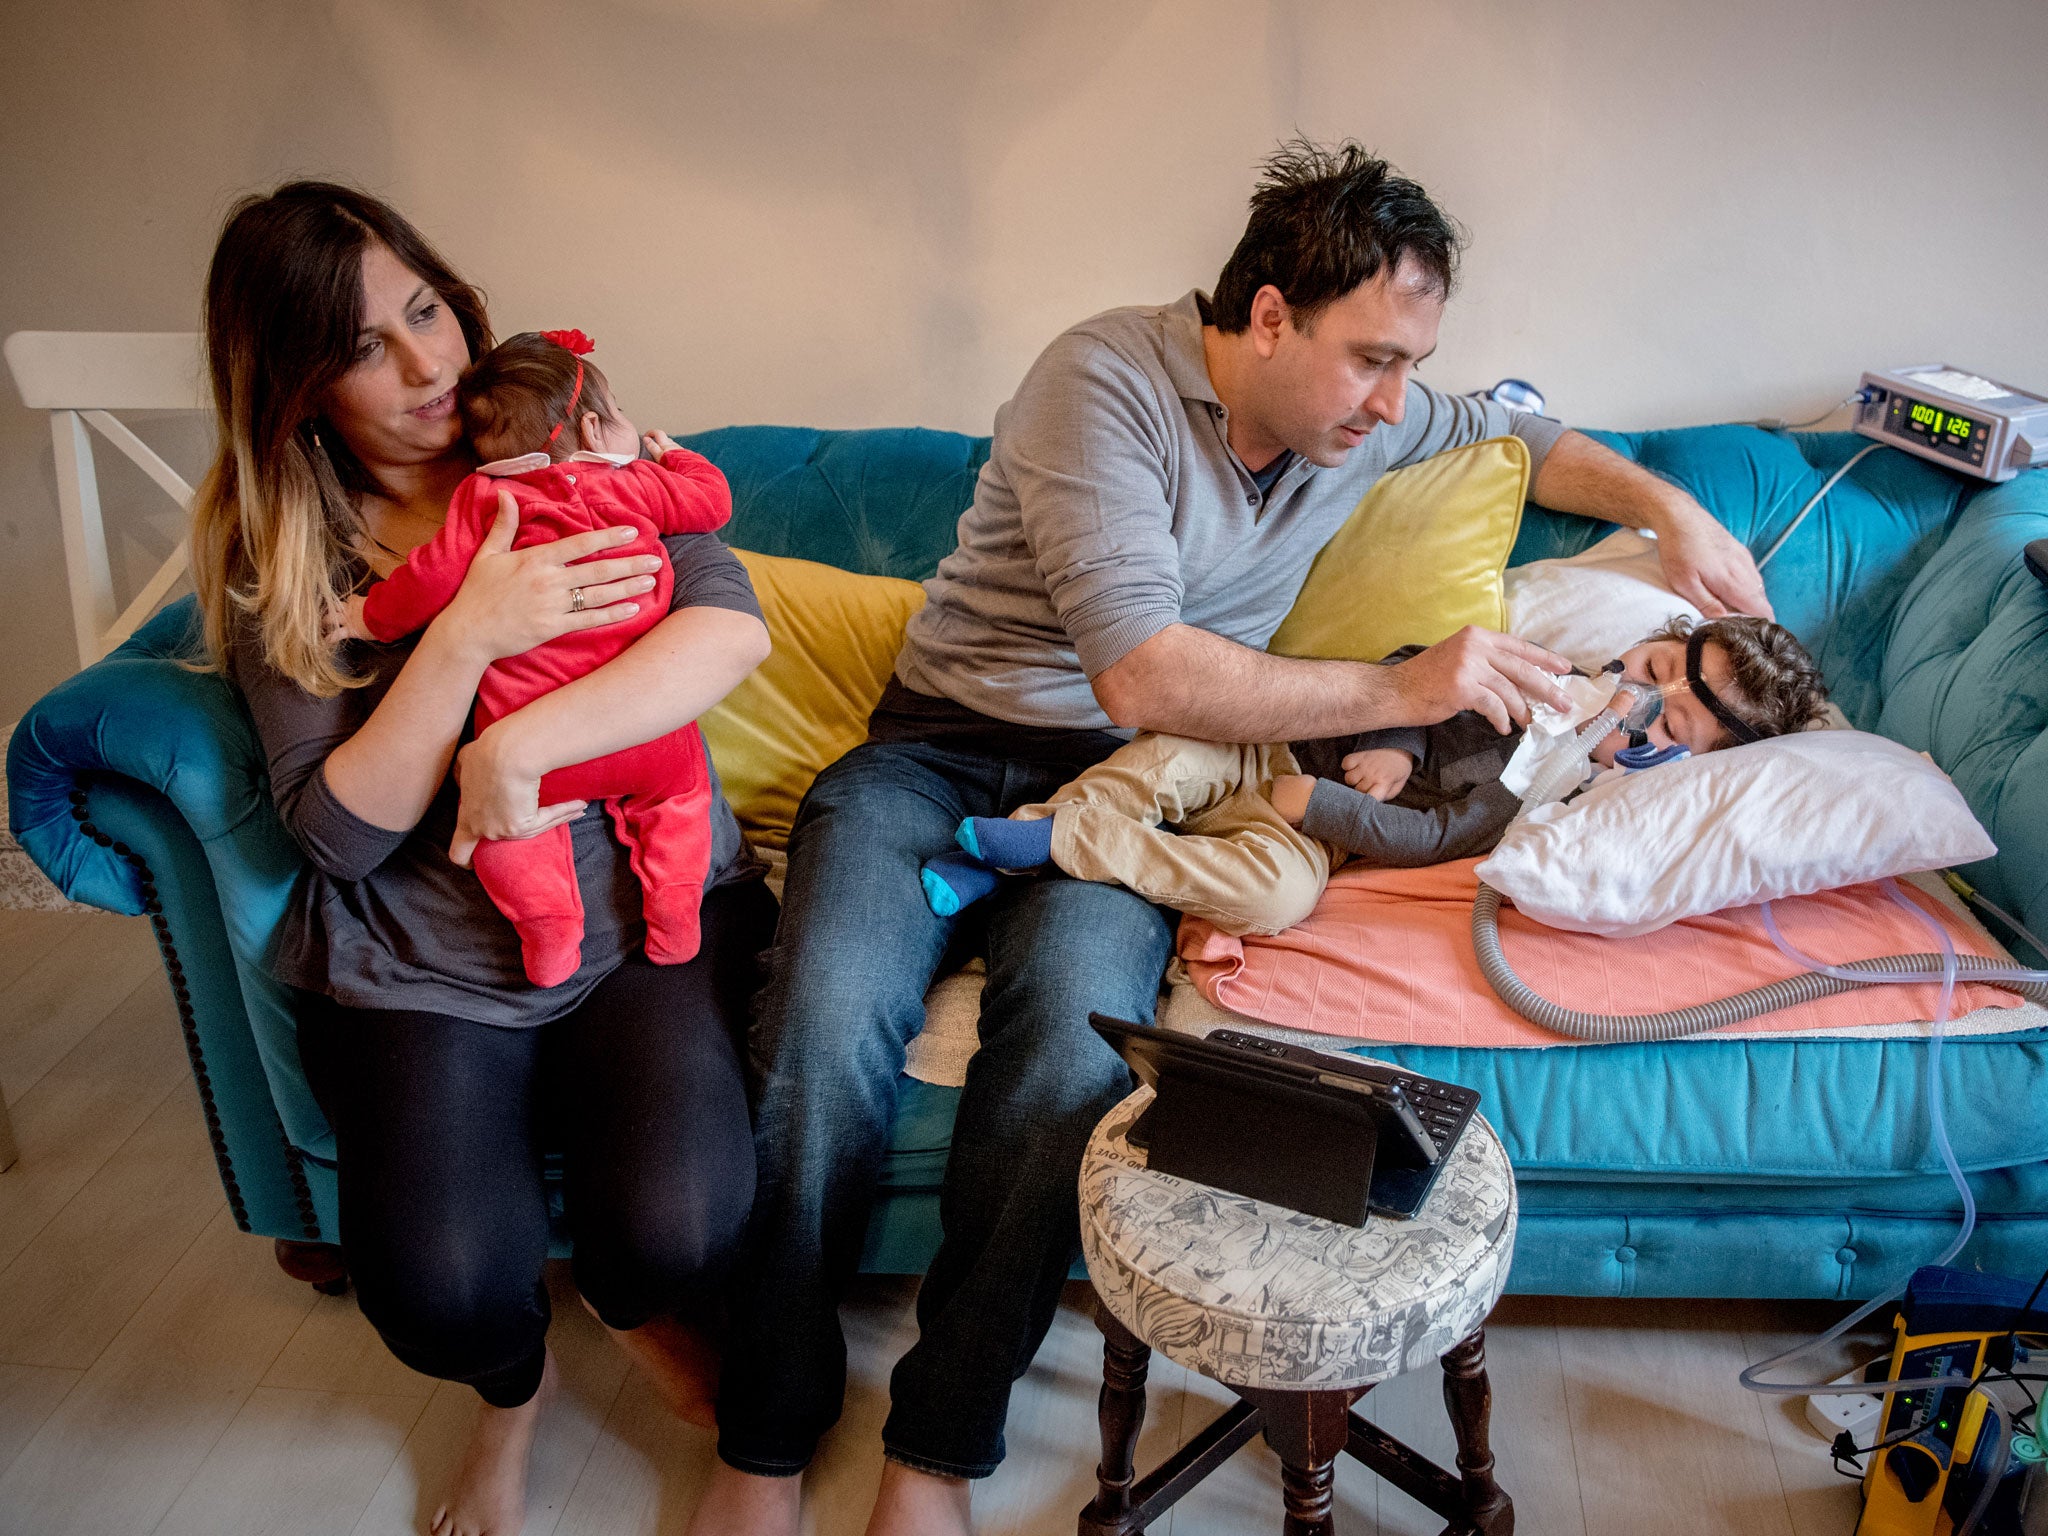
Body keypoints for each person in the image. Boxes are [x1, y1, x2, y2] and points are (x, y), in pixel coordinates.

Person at [696, 140, 1775, 1536]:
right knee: (826, 1015)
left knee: (1066, 1059)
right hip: (939, 748)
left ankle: (937, 1446)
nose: (1394, 406)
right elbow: (1140, 671)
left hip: (1142, 787)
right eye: (1372, 361)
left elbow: (1523, 432)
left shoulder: (1363, 413)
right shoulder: (1102, 383)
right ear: (1267, 315)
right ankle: (767, 1438)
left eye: (1409, 366)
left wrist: (1670, 512)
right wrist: (1404, 687)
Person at [189, 181, 774, 1536]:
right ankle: (513, 1395)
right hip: (421, 952)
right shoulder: (284, 550)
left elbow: (723, 630)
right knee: (437, 1289)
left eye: (426, 311)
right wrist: (462, 637)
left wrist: (514, 754)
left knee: (679, 1226)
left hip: (640, 909)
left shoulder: (562, 423)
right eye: (362, 349)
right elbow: (337, 833)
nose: (426, 368)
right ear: (295, 388)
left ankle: (624, 1312)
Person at [921, 615, 1831, 936]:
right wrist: (1397, 740)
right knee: (1153, 765)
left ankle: (1055, 842)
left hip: (1307, 828)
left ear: (1671, 759)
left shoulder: (1551, 793)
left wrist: (1322, 806)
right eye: (1658, 663)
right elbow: (1411, 660)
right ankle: (1009, 852)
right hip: (1266, 747)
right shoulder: (1530, 670)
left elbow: (1438, 837)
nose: (1635, 693)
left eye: (1666, 718)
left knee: (1274, 900)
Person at [337, 328, 735, 984]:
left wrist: (365, 614)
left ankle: (548, 934)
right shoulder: (636, 483)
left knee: (509, 832)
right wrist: (678, 460)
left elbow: (428, 583)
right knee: (681, 797)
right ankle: (675, 909)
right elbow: (712, 504)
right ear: (595, 427)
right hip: (645, 734)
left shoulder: (487, 499)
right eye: (622, 412)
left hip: (537, 759)